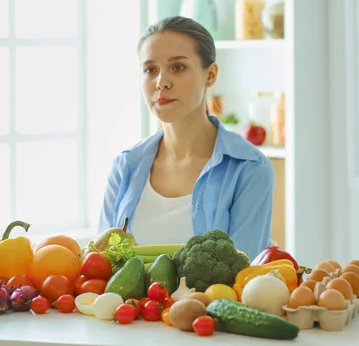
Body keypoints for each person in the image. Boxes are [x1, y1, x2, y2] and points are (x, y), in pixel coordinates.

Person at [97, 16, 275, 261]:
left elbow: (242, 277)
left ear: (210, 75)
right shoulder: (126, 165)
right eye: (150, 70)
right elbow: (100, 265)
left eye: (178, 67)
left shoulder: (249, 168)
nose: (161, 82)